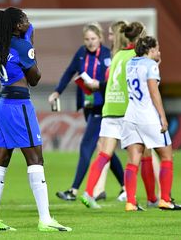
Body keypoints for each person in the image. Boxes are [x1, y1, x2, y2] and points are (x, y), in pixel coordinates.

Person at [0, 7, 71, 232]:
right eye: (24, 20)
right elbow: (35, 79)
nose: (28, 22)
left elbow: (29, 30)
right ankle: (45, 219)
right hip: (18, 106)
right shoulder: (23, 46)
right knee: (36, 159)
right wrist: (31, 50)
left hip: (1, 104)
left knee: (0, 159)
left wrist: (27, 35)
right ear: (16, 26)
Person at [80, 22, 160, 210]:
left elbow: (109, 79)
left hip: (109, 109)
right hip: (127, 110)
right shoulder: (136, 57)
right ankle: (150, 198)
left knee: (103, 154)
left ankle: (88, 192)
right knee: (142, 155)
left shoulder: (115, 57)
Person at [49, 23, 125, 202]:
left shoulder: (108, 55)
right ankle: (124, 186)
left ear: (100, 38)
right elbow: (69, 72)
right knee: (107, 149)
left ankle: (74, 190)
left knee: (86, 145)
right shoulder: (81, 53)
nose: (90, 42)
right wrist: (57, 91)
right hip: (88, 105)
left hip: (102, 106)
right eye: (87, 39)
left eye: (93, 39)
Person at [121, 36, 181, 211]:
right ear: (150, 50)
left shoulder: (130, 63)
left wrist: (156, 64)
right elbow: (153, 91)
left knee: (133, 160)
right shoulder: (151, 66)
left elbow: (140, 78)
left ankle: (130, 202)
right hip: (147, 117)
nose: (159, 52)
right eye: (157, 49)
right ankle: (165, 199)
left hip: (131, 116)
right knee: (167, 156)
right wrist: (162, 117)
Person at [92, 20, 130, 200]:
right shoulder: (116, 56)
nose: (108, 37)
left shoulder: (125, 56)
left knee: (142, 152)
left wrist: (98, 85)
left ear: (119, 35)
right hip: (114, 110)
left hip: (127, 111)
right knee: (105, 150)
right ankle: (96, 190)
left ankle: (157, 195)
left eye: (111, 34)